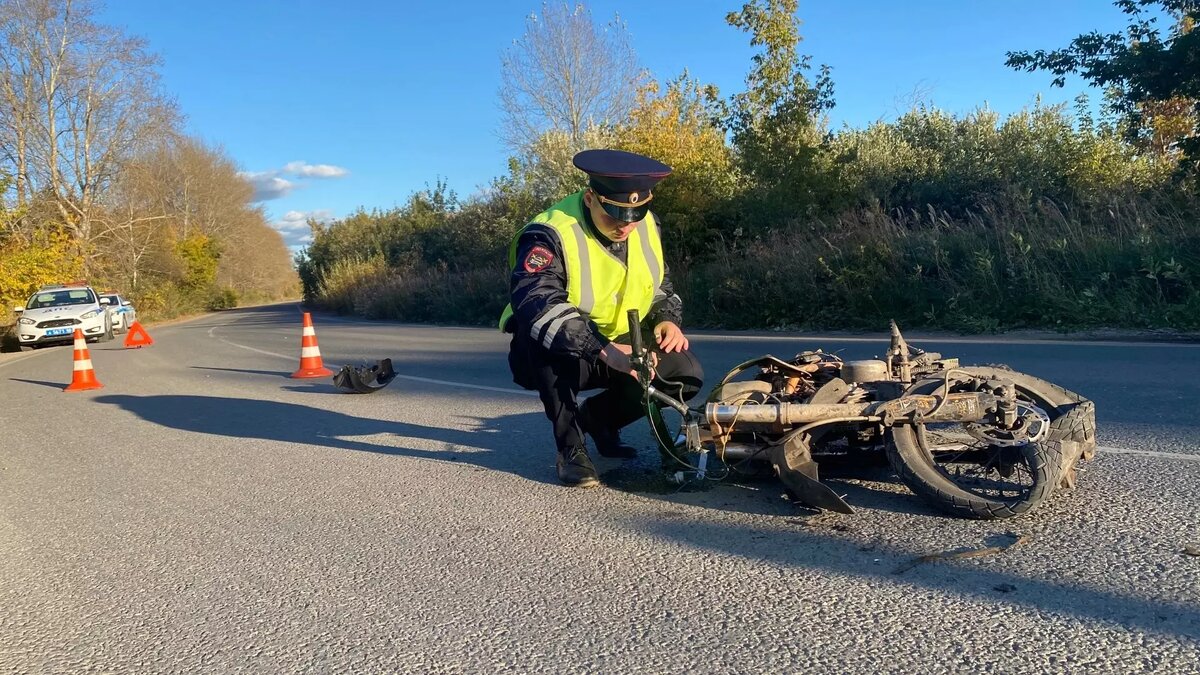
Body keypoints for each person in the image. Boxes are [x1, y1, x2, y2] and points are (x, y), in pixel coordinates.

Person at [499, 149, 705, 488]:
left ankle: (599, 419)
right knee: (538, 337)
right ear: (592, 197)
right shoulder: (550, 232)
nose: (625, 225)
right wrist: (604, 349)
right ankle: (570, 447)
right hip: (569, 349)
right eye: (614, 215)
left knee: (684, 371)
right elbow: (538, 303)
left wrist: (667, 319)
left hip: (624, 343)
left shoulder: (645, 225)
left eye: (634, 215)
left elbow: (659, 282)